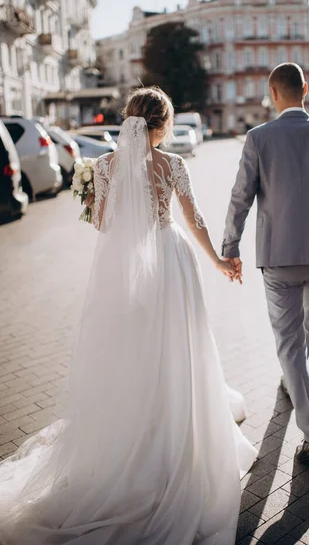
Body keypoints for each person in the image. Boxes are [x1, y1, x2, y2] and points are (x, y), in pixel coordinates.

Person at [0, 87, 257, 544]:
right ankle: (175, 431)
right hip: (171, 262)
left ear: (129, 120)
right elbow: (193, 219)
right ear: (162, 125)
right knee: (178, 344)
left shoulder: (102, 167)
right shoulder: (173, 165)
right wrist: (219, 261)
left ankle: (130, 432)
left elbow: (102, 224)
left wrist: (92, 195)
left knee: (127, 349)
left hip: (122, 270)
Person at [222, 63, 309, 464]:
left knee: (288, 344)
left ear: (273, 93)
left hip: (279, 256)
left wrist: (230, 247)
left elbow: (240, 198)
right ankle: (294, 380)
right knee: (304, 323)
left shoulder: (258, 138)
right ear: (305, 88)